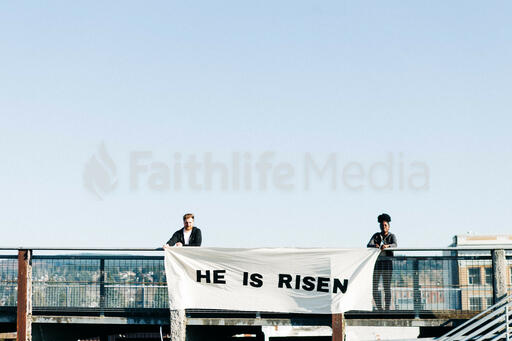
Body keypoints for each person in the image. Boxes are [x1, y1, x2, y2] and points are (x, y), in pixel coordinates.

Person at [367, 213, 397, 311]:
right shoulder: (376, 236)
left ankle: (387, 308)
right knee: (374, 287)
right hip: (377, 264)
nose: (383, 227)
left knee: (386, 287)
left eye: (385, 225)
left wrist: (387, 246)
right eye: (382, 225)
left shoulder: (392, 236)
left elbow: (395, 245)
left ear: (388, 226)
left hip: (387, 265)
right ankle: (379, 308)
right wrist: (375, 246)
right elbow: (368, 245)